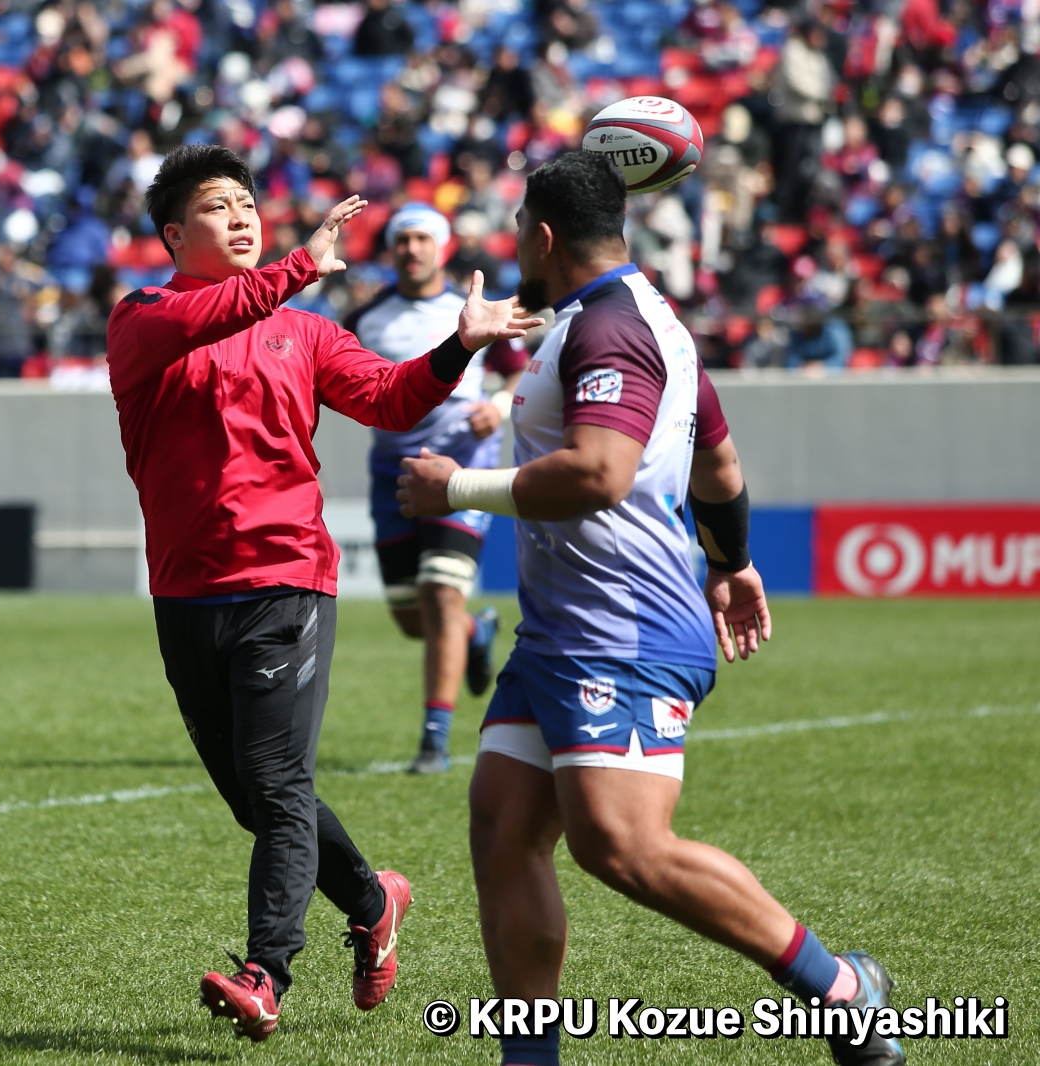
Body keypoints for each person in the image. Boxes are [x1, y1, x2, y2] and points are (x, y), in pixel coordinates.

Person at [395, 151, 901, 1066]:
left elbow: (600, 473)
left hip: (621, 629)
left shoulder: (612, 327)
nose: (514, 242)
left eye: (519, 228)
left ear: (544, 238)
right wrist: (733, 562)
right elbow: (719, 465)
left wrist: (456, 488)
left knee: (621, 845)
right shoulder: (638, 320)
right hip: (562, 631)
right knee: (504, 825)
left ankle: (840, 988)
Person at [105, 144, 542, 1043]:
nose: (241, 216)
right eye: (217, 206)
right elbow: (218, 310)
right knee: (254, 799)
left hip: (287, 580)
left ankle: (266, 972)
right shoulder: (142, 318)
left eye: (247, 202)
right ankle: (374, 900)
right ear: (172, 235)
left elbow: (389, 399)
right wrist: (300, 265)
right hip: (185, 591)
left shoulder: (301, 331)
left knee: (275, 784)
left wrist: (460, 345)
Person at [344, 203, 514, 774]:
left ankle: (433, 741)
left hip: (462, 468)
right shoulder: (366, 318)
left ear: (441, 247)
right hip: (392, 473)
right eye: (402, 239)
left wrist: (498, 405)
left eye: (422, 238)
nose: (411, 249)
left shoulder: (471, 310)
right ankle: (475, 630)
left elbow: (521, 367)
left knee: (440, 593)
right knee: (412, 617)